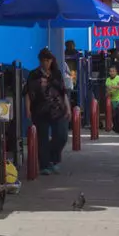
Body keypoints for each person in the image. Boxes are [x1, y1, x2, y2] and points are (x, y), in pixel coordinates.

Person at [24, 49, 71, 177]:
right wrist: (27, 109)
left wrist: (68, 107)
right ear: (40, 61)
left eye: (48, 60)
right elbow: (28, 93)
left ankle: (53, 158)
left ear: (52, 60)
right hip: (40, 109)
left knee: (61, 136)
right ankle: (44, 165)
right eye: (43, 60)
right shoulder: (34, 74)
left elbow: (63, 92)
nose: (46, 63)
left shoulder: (56, 73)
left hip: (58, 108)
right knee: (42, 138)